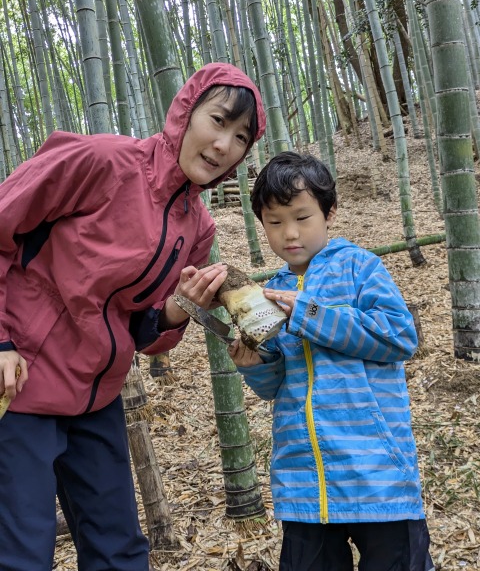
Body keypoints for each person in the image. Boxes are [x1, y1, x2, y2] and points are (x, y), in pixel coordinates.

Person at [0, 62, 266, 571]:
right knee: (19, 554)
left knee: (119, 551)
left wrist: (179, 309)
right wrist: (1, 343)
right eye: (217, 121)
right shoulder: (102, 161)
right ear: (184, 112)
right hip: (20, 380)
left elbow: (144, 330)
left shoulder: (199, 228)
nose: (223, 145)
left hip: (96, 393)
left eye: (240, 137)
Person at [228, 151, 434, 571]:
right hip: (304, 484)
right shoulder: (273, 291)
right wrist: (256, 364)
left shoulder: (361, 268)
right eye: (274, 222)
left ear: (330, 212)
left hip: (377, 477)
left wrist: (310, 314)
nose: (289, 233)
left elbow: (399, 337)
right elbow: (276, 387)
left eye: (302, 217)